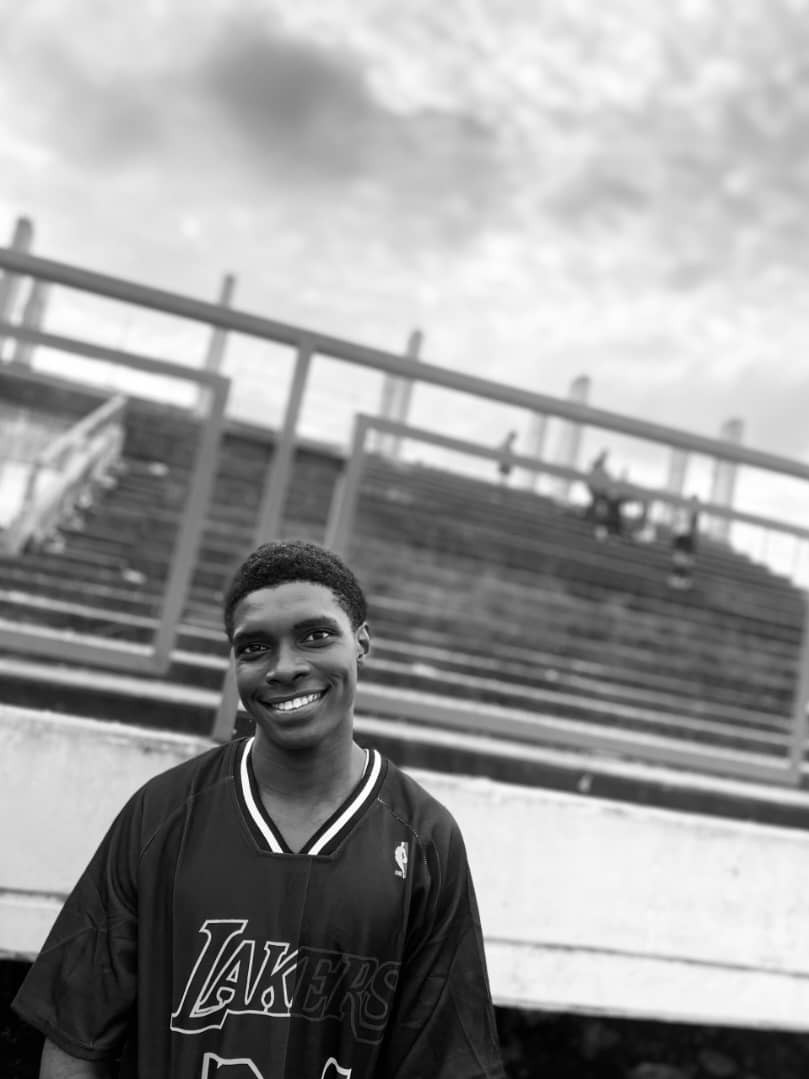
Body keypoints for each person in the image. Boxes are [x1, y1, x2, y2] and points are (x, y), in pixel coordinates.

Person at [13, 539, 506, 1079]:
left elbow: (450, 1061)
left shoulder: (424, 838)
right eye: (254, 648)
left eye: (315, 636)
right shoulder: (162, 814)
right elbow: (75, 1040)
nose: (285, 668)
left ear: (361, 642)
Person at [668, 494, 701, 590]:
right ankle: (677, 579)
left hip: (687, 540)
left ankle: (682, 580)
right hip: (682, 538)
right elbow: (677, 525)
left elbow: (693, 529)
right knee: (680, 560)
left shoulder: (694, 516)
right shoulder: (682, 512)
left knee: (685, 561)